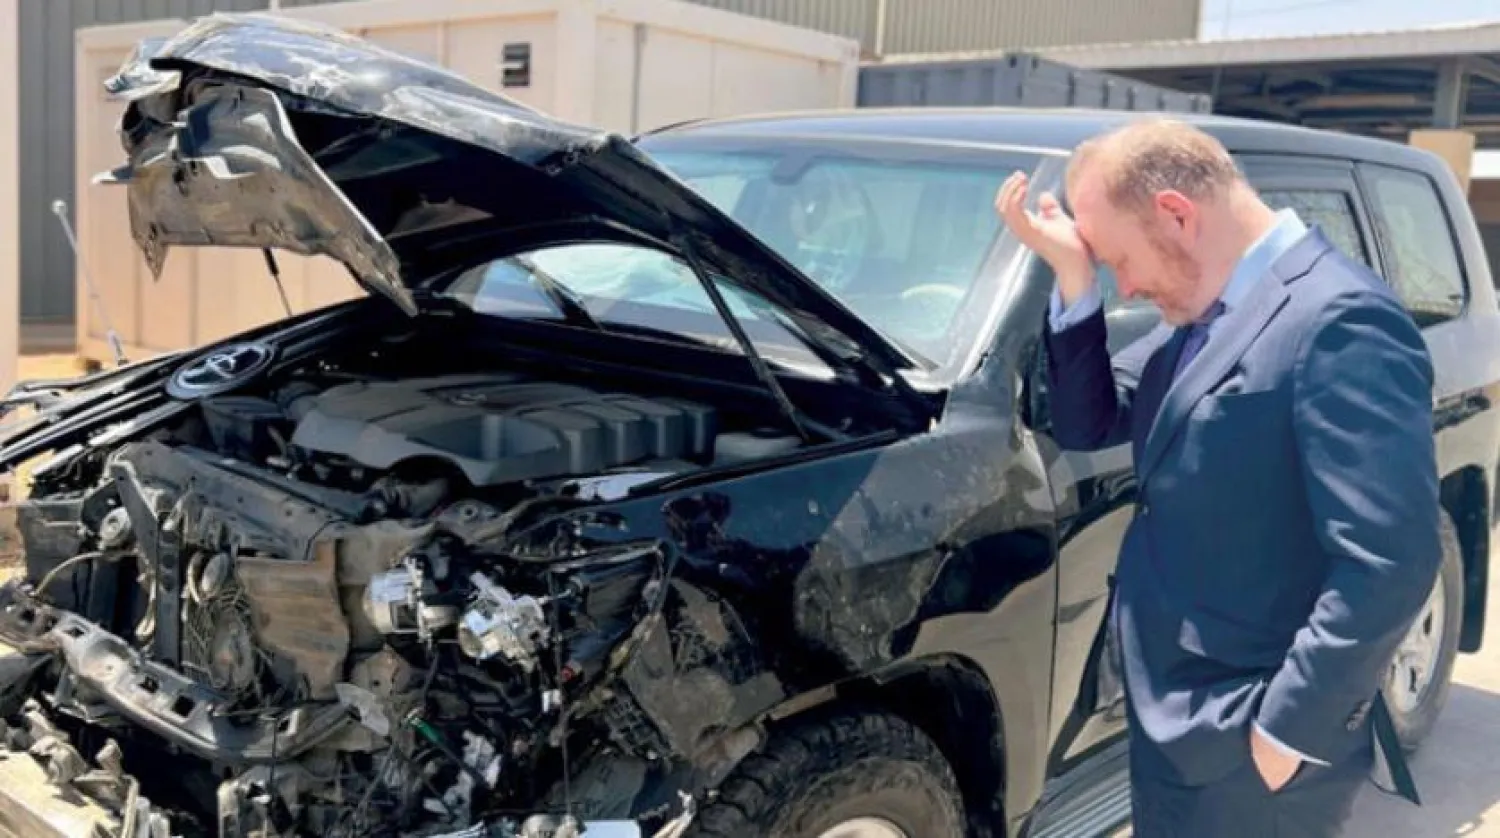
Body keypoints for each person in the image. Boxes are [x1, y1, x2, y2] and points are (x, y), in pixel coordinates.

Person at [996, 118, 1442, 836]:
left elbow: (1389, 559)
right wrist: (1074, 275)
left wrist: (1285, 731)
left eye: (1120, 261)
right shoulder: (1208, 312)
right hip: (1181, 715)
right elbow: (1088, 423)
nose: (1127, 286)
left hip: (1251, 738)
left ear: (1177, 214)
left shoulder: (1340, 321)